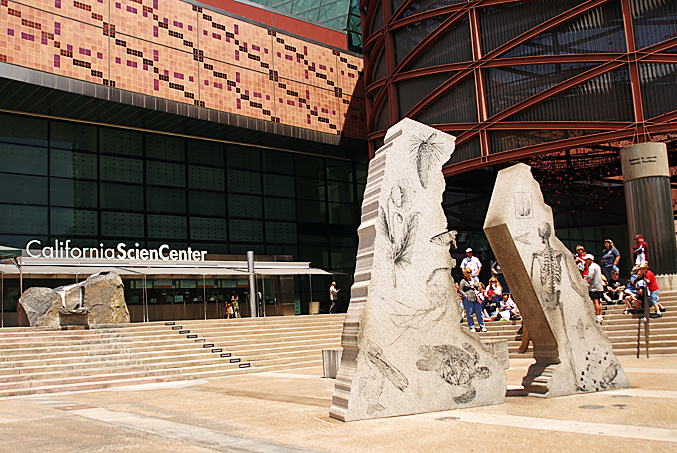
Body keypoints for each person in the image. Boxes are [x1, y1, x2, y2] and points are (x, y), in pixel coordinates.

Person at [459, 267, 486, 332]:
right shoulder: (463, 281)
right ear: (466, 273)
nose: (471, 273)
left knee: (479, 313)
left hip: (476, 298)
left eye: (471, 272)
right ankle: (472, 327)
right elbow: (460, 290)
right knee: (469, 313)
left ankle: (482, 326)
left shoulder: (474, 280)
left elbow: (478, 288)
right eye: (469, 272)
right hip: (468, 298)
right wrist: (465, 295)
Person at [585, 254, 604, 323]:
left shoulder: (591, 267)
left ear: (590, 259)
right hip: (599, 286)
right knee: (599, 301)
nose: (586, 261)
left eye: (587, 259)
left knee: (595, 301)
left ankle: (597, 315)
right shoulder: (597, 266)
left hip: (594, 287)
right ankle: (600, 315)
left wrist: (585, 278)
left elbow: (590, 276)